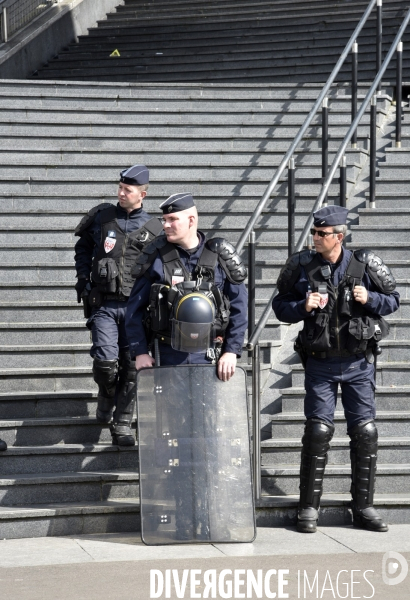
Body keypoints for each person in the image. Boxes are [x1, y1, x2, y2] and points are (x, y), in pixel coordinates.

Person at [272, 205, 400, 534]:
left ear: (338, 237)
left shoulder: (365, 263)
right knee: (317, 432)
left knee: (365, 433)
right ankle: (308, 508)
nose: (315, 238)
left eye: (321, 234)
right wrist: (303, 306)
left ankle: (364, 506)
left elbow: (394, 299)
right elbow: (279, 305)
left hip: (359, 363)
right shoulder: (301, 265)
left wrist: (370, 298)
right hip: (321, 364)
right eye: (314, 232)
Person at [74, 165, 162, 446]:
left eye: (128, 190)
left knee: (132, 368)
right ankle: (107, 393)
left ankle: (122, 425)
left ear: (142, 194)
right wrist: (83, 278)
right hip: (105, 305)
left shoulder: (155, 228)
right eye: (120, 188)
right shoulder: (102, 218)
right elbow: (83, 247)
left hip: (137, 310)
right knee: (105, 363)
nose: (121, 193)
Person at [125, 192, 248, 381]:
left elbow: (239, 309)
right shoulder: (154, 257)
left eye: (172, 219)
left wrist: (231, 351)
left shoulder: (220, 258)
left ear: (191, 220)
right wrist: (140, 352)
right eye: (164, 219)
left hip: (210, 356)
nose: (165, 225)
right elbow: (134, 310)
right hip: (166, 355)